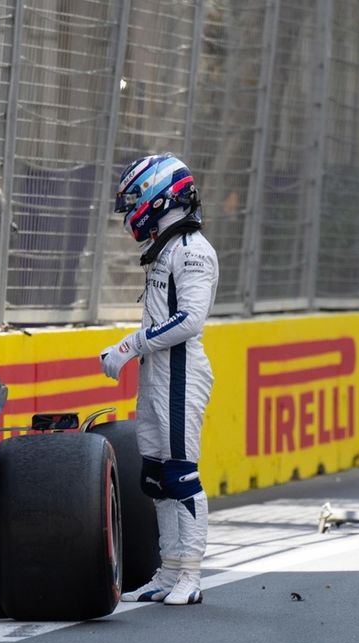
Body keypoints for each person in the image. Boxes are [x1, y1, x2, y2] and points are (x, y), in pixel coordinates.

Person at [99, 153, 219, 606]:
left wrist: (130, 346)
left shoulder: (193, 251)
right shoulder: (167, 249)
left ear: (158, 194)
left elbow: (189, 320)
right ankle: (168, 571)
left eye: (135, 198)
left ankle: (190, 573)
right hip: (158, 373)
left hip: (181, 372)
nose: (131, 209)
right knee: (155, 476)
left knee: (181, 473)